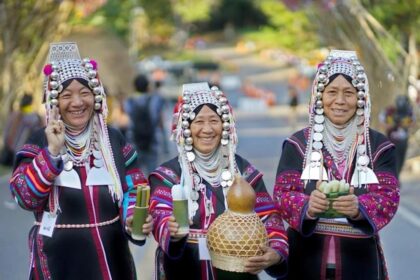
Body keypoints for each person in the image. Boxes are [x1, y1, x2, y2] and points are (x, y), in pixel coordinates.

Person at [9, 42, 153, 279]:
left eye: (84, 93)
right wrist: (52, 153)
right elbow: (24, 197)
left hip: (112, 257)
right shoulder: (38, 141)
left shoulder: (112, 139)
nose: (77, 103)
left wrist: (132, 217)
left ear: (96, 96)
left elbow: (135, 187)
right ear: (54, 102)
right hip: (59, 259)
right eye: (67, 95)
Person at [273, 50, 400, 280]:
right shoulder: (298, 144)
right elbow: (283, 193)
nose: (340, 101)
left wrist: (359, 207)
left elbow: (388, 196)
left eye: (349, 93)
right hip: (305, 260)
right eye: (332, 92)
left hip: (359, 262)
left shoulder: (379, 146)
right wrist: (307, 206)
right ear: (320, 96)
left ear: (360, 97)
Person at [149, 83, 288, 280]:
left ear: (225, 125)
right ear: (185, 127)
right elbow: (159, 212)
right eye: (198, 122)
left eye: (214, 120)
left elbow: (269, 217)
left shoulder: (243, 171)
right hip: (184, 270)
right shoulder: (168, 175)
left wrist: (276, 252)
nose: (207, 129)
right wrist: (171, 229)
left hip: (237, 272)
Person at [124, 74, 167, 176]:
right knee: (152, 172)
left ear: (134, 86)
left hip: (135, 140)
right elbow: (159, 120)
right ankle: (152, 190)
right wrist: (165, 146)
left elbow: (127, 120)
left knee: (136, 174)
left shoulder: (129, 101)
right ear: (147, 86)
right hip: (152, 140)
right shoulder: (155, 99)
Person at [1, 93, 43, 166]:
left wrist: (6, 140)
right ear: (31, 102)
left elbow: (7, 129)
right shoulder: (34, 117)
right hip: (24, 146)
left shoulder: (15, 114)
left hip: (15, 145)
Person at [379, 94, 415, 179]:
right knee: (393, 160)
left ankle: (396, 177)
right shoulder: (389, 111)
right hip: (391, 140)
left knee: (401, 160)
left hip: (403, 141)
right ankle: (394, 178)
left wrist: (403, 123)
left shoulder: (408, 111)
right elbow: (382, 124)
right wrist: (393, 124)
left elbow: (412, 123)